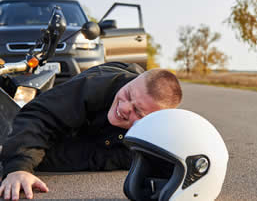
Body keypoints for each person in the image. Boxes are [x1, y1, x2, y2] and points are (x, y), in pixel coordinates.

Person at [0, 62, 183, 200]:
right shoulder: (94, 85)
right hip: (69, 116)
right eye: (127, 95)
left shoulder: (155, 131)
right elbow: (40, 114)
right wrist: (19, 167)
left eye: (138, 111)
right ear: (131, 83)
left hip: (101, 143)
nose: (125, 107)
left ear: (153, 121)